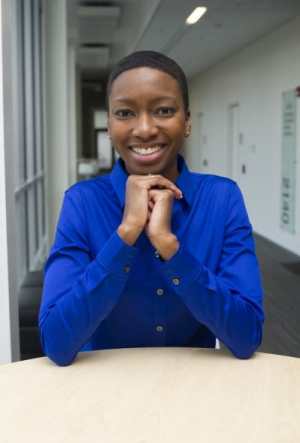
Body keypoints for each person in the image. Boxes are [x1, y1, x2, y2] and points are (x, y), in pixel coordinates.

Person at [38, 50, 264, 366]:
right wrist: (126, 232)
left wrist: (169, 247)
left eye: (163, 110)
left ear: (186, 121)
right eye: (125, 113)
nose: (144, 128)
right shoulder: (83, 202)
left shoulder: (221, 198)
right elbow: (58, 343)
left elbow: (246, 336)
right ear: (110, 123)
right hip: (102, 389)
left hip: (193, 386)